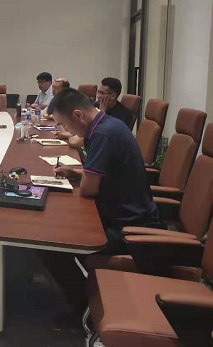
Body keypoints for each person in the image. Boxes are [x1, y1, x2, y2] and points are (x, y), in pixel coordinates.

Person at [42, 88, 162, 316]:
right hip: (123, 214)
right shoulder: (107, 125)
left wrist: (84, 177)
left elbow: (89, 189)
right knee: (58, 229)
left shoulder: (103, 135)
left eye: (65, 124)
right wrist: (77, 172)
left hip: (128, 229)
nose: (66, 131)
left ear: (78, 115)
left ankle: (85, 308)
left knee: (52, 244)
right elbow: (106, 173)